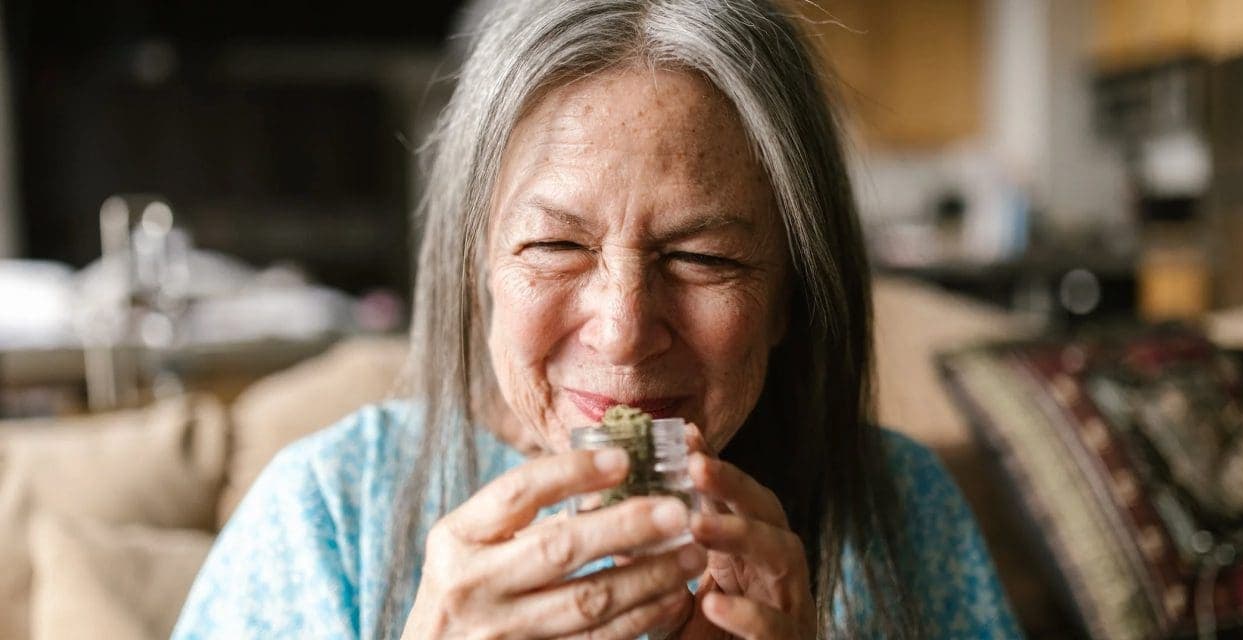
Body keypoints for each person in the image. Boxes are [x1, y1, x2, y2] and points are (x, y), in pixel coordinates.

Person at [173, 1, 1022, 638]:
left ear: (789, 297)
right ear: (478, 268)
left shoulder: (905, 511)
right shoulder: (326, 514)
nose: (622, 329)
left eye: (705, 259)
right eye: (554, 245)